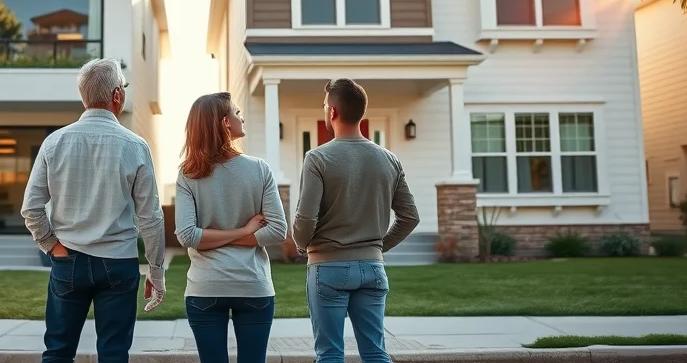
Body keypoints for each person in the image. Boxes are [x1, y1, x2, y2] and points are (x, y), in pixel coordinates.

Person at [21, 58, 166, 363]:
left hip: (68, 259)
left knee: (58, 352)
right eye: (123, 87)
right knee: (114, 355)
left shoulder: (54, 142)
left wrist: (51, 245)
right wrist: (156, 270)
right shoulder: (135, 146)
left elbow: (31, 208)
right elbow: (150, 217)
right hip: (119, 263)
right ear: (117, 95)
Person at [293, 78, 420, 363]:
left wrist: (302, 245)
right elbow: (410, 217)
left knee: (329, 354)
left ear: (333, 112)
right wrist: (375, 247)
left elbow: (305, 219)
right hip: (373, 269)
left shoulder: (317, 158)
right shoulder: (389, 159)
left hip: (327, 268)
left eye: (325, 106)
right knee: (376, 352)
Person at [174, 92, 289, 363]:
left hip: (205, 288)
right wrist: (244, 230)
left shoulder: (187, 173)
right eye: (237, 113)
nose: (242, 117)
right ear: (226, 122)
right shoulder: (259, 169)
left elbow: (192, 236)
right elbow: (188, 236)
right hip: (252, 285)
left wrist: (212, 237)